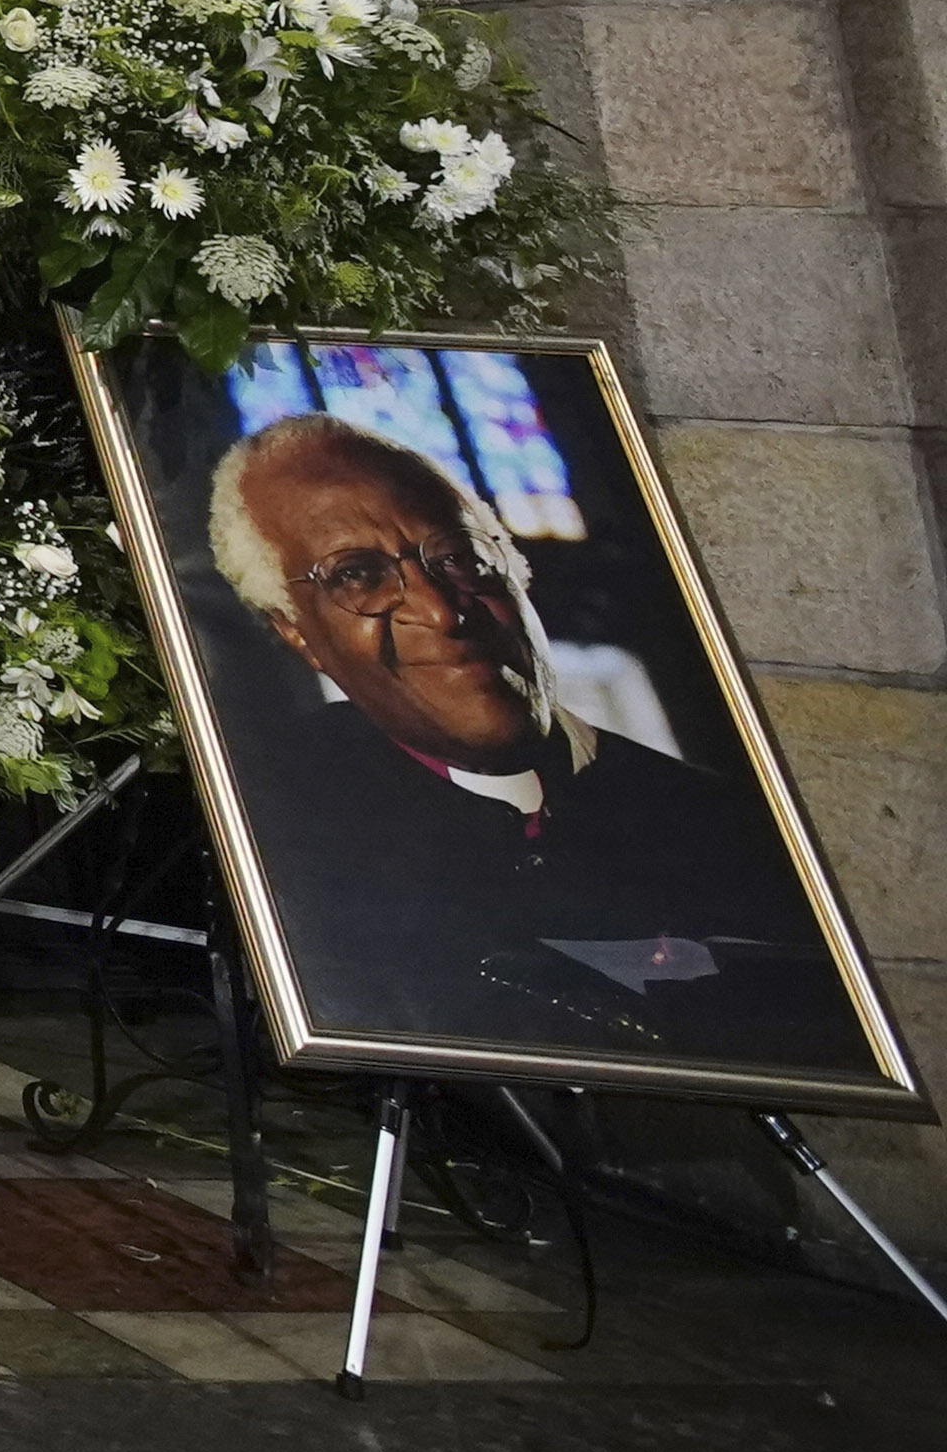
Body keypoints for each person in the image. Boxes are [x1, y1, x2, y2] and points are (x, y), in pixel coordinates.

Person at [199, 410, 853, 1073]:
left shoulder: (730, 826)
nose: (441, 610)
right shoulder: (276, 827)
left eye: (457, 557)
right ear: (297, 633)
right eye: (359, 576)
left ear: (514, 568)